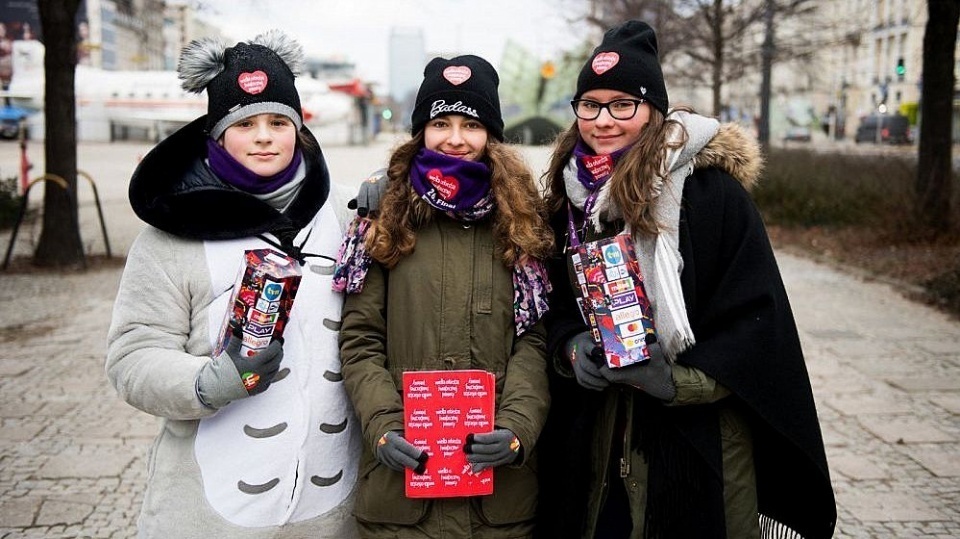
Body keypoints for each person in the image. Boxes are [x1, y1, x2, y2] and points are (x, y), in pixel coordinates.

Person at [534, 20, 836, 539]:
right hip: (596, 444)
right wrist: (569, 346)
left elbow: (759, 331)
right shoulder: (568, 200)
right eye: (590, 104)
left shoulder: (711, 195)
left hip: (696, 453)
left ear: (653, 109)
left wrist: (674, 381)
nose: (603, 120)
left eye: (622, 103)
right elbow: (552, 302)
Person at [106, 30, 360, 538]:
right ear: (217, 135)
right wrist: (205, 382)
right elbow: (132, 357)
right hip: (211, 512)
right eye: (244, 123)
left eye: (277, 121)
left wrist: (397, 190)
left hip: (331, 512)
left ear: (299, 130)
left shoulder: (348, 217)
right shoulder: (170, 238)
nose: (264, 136)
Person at [334, 54, 554, 538]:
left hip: (498, 500)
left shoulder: (519, 222)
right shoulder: (383, 219)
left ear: (491, 136)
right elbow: (360, 339)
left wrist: (517, 425)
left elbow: (533, 341)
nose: (455, 138)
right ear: (421, 132)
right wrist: (383, 425)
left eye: (471, 124)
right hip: (402, 496)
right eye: (440, 123)